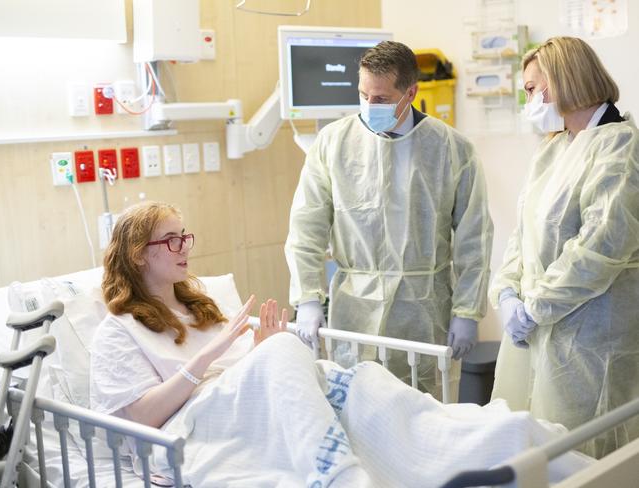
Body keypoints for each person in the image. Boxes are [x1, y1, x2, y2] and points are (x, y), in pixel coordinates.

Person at [90, 201, 589, 487]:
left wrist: (260, 351)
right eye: (171, 241)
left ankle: (493, 439)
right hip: (200, 430)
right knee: (287, 350)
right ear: (138, 255)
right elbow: (138, 419)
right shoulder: (118, 331)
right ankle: (338, 475)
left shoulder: (202, 307)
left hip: (267, 406)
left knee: (412, 413)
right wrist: (213, 358)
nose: (185, 250)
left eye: (186, 237)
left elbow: (264, 380)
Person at [285, 40, 493, 399]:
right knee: (355, 407)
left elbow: (474, 238)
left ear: (410, 92)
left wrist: (467, 312)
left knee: (423, 411)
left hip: (424, 311)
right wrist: (307, 299)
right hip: (354, 311)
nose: (368, 105)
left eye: (380, 98)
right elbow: (307, 227)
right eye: (363, 94)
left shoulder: (451, 149)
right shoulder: (333, 143)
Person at [489, 36, 639, 459]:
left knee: (589, 454)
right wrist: (506, 291)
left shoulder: (620, 146)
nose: (530, 100)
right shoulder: (554, 148)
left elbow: (598, 247)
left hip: (594, 337)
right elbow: (524, 231)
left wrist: (535, 308)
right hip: (542, 330)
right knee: (539, 451)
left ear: (564, 80)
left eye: (534, 88)